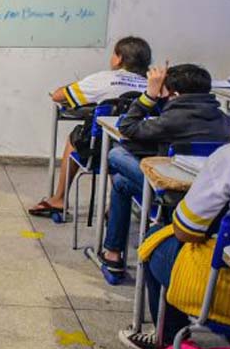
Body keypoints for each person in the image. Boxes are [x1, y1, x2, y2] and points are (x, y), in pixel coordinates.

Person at [118, 55, 230, 349]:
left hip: (229, 288)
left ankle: (167, 338)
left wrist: (149, 97)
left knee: (153, 242)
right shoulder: (227, 125)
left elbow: (185, 232)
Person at [97, 63, 230, 274]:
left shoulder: (171, 120)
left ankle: (113, 254)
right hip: (213, 201)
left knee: (116, 155)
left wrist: (150, 95)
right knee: (121, 183)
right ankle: (112, 252)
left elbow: (126, 127)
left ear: (174, 94)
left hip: (171, 194)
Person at [28, 36, 152, 217]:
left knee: (76, 136)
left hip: (99, 150)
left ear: (118, 58)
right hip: (142, 151)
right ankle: (115, 206)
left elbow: (58, 96)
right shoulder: (153, 85)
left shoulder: (103, 79)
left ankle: (59, 198)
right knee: (118, 142)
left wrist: (77, 84)